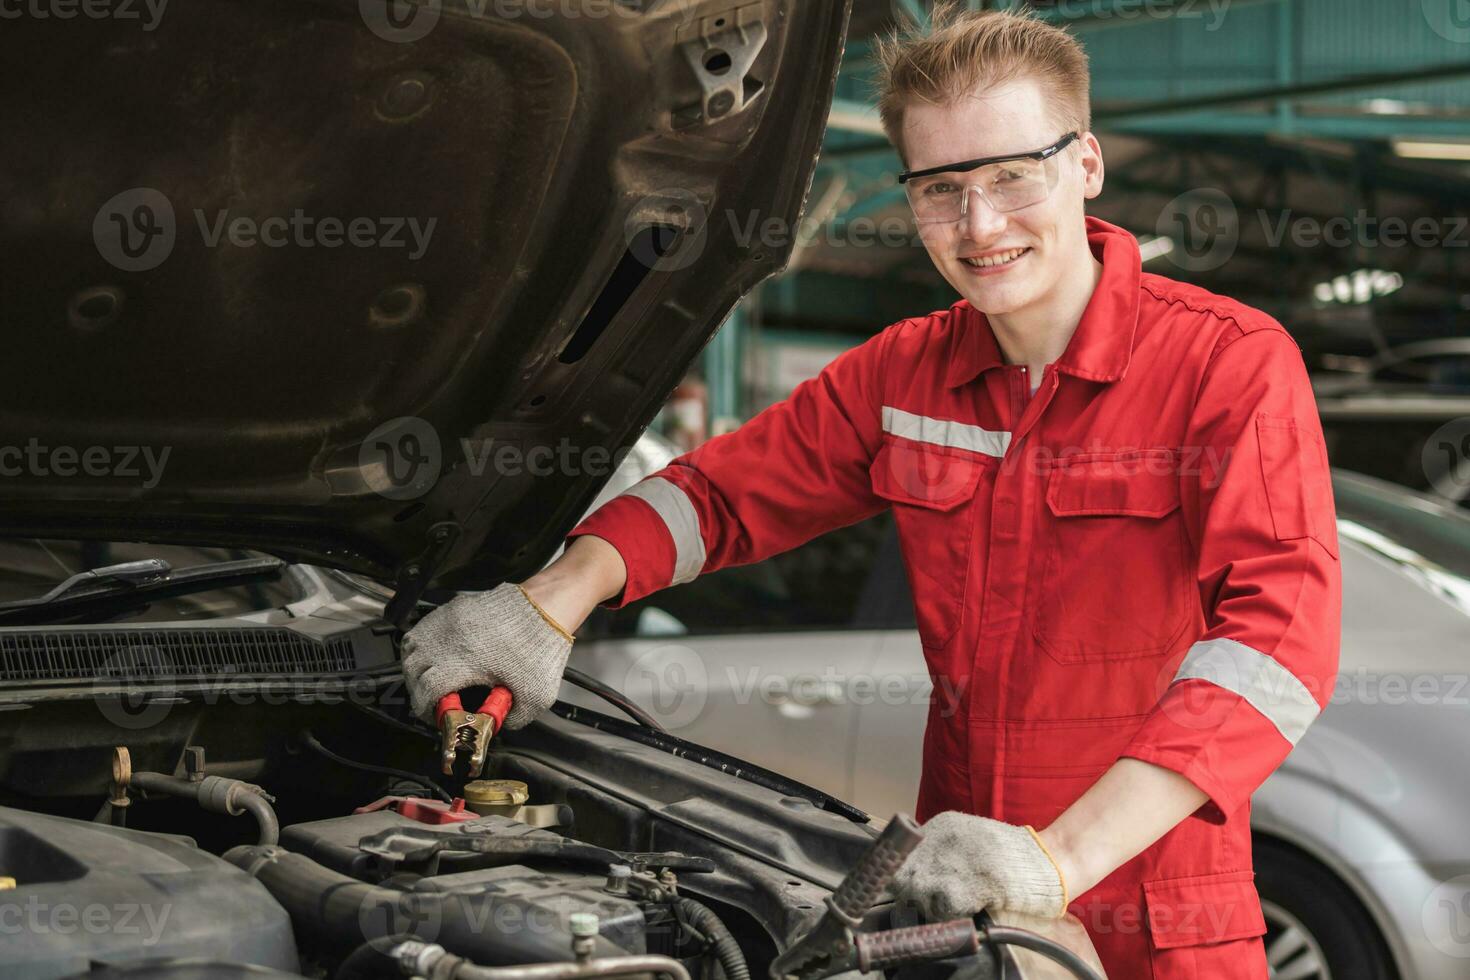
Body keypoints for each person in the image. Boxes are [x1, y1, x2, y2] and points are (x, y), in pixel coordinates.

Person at [401, 7, 1340, 977]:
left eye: (1013, 175)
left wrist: (1057, 859)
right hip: (961, 897)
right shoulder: (906, 375)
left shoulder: (1225, 366)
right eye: (942, 189)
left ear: (1087, 164)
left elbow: (1278, 639)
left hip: (1155, 914)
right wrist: (552, 601)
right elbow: (721, 496)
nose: (979, 225)